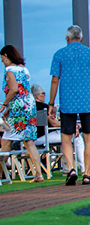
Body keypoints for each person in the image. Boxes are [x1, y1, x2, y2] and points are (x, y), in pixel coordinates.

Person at [48, 25, 90, 185]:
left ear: (67, 38)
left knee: (66, 138)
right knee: (88, 137)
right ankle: (87, 174)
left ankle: (71, 169)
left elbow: (55, 80)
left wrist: (51, 103)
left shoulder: (59, 54)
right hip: (88, 101)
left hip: (67, 102)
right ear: (81, 38)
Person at [1, 45, 44, 182]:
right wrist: (10, 108)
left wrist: (3, 105)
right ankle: (39, 173)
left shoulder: (9, 70)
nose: (2, 61)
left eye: (2, 58)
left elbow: (13, 90)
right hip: (28, 105)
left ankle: (1, 173)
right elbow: (22, 90)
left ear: (6, 56)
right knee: (28, 141)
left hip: (19, 107)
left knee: (6, 140)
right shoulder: (23, 69)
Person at [30, 84, 89, 175]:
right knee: (74, 137)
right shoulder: (44, 107)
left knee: (65, 138)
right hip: (43, 137)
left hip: (32, 139)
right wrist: (73, 125)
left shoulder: (30, 107)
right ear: (37, 95)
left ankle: (67, 169)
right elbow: (54, 123)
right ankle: (84, 169)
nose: (45, 95)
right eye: (43, 93)